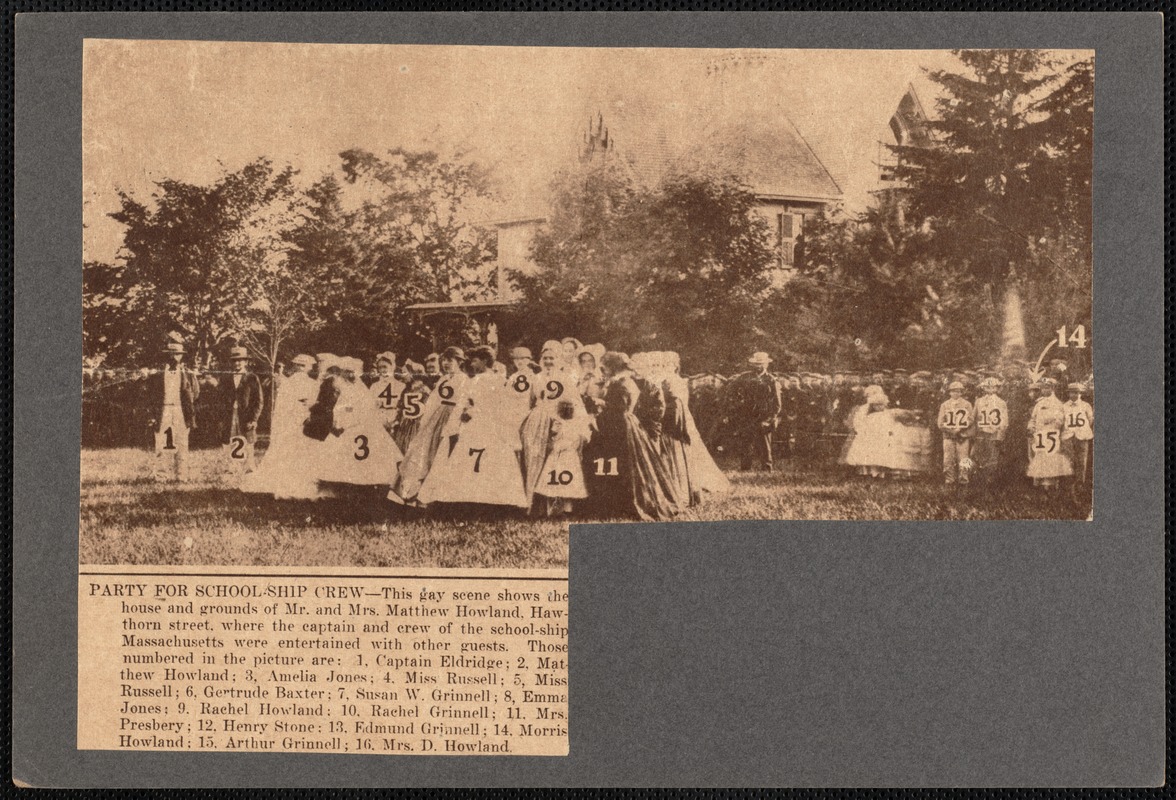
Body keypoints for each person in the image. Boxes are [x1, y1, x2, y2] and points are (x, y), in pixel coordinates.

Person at [418, 346, 528, 509]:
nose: (472, 364)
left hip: (487, 425)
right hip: (477, 424)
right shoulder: (484, 380)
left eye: (475, 360)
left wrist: (471, 412)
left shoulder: (492, 380)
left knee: (486, 459)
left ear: (485, 361)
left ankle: (488, 500)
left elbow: (495, 405)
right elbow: (469, 401)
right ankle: (474, 499)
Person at [583, 351, 680, 521]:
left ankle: (621, 504)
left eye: (604, 368)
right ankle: (614, 503)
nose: (603, 371)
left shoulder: (623, 383)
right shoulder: (623, 381)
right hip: (619, 425)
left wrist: (600, 402)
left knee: (620, 464)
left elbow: (621, 408)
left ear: (612, 367)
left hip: (620, 426)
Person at [390, 346, 469, 505]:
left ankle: (439, 497)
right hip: (436, 418)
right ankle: (412, 493)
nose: (446, 364)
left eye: (450, 360)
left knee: (442, 455)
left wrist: (455, 424)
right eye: (444, 360)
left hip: (452, 418)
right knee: (422, 453)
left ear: (459, 362)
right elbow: (433, 400)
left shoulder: (463, 379)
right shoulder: (443, 379)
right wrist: (426, 421)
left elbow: (463, 402)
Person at [242, 353, 319, 499]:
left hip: (293, 423)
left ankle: (293, 483)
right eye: (301, 365)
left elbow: (284, 408)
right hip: (298, 422)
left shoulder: (289, 383)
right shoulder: (305, 384)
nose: (302, 368)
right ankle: (295, 485)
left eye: (303, 365)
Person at [319, 357, 403, 489]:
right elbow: (342, 408)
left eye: (351, 372)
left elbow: (363, 408)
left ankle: (367, 480)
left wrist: (347, 419)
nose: (349, 375)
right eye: (347, 372)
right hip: (351, 424)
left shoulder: (359, 388)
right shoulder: (346, 387)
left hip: (360, 424)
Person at [520, 341, 581, 508]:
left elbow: (573, 402)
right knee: (533, 457)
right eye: (545, 358)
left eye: (552, 358)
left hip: (557, 420)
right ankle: (532, 503)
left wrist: (562, 422)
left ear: (558, 359)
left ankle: (553, 505)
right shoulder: (536, 378)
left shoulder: (565, 378)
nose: (548, 362)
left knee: (553, 460)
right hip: (537, 420)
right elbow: (531, 401)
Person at [147, 339, 200, 482]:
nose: (174, 357)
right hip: (164, 410)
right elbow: (151, 396)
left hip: (180, 411)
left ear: (181, 356)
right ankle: (161, 475)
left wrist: (188, 410)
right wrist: (152, 415)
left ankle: (181, 476)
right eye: (171, 354)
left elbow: (195, 393)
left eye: (177, 354)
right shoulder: (157, 374)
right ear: (167, 355)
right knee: (162, 443)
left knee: (182, 443)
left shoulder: (188, 373)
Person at [534, 399, 593, 517]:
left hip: (564, 456)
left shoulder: (566, 424)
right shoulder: (568, 424)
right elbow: (581, 439)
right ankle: (559, 510)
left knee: (560, 484)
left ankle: (561, 510)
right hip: (565, 456)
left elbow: (579, 440)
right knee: (560, 483)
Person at [730, 352, 782, 471]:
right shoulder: (744, 377)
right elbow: (731, 391)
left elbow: (777, 404)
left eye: (761, 364)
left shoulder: (771, 380)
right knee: (746, 442)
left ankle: (767, 468)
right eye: (756, 364)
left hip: (764, 415)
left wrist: (770, 419)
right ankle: (745, 467)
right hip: (747, 415)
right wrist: (738, 403)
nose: (758, 366)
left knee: (764, 443)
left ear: (766, 364)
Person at [218, 346, 264, 480]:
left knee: (248, 440)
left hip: (246, 415)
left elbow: (259, 401)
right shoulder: (226, 378)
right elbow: (220, 398)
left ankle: (249, 469)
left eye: (240, 360)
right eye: (234, 361)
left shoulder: (252, 378)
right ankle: (231, 469)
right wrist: (221, 417)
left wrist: (254, 419)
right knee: (229, 440)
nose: (237, 363)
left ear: (245, 362)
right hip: (230, 414)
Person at [1026, 378, 1072, 490]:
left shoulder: (1059, 404)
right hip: (1039, 436)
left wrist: (1052, 427)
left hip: (1052, 437)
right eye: (1043, 388)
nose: (1044, 390)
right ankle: (1038, 486)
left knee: (1051, 459)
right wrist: (1031, 427)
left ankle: (1050, 486)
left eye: (1047, 388)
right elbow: (1033, 419)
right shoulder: (1039, 404)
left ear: (1053, 388)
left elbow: (1061, 421)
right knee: (1039, 458)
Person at [971, 377, 1009, 490]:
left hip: (993, 433)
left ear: (997, 388)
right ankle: (978, 482)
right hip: (980, 433)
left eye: (993, 387)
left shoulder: (1001, 402)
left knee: (992, 458)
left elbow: (1004, 421)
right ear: (983, 388)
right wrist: (972, 432)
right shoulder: (979, 401)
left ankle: (989, 483)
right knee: (978, 456)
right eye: (987, 387)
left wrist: (1000, 436)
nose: (990, 389)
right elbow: (973, 417)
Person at [937, 380, 975, 486]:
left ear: (962, 392)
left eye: (958, 391)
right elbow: (940, 423)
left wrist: (960, 428)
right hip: (948, 436)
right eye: (953, 391)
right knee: (948, 458)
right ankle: (949, 480)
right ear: (949, 392)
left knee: (963, 458)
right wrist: (950, 430)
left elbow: (971, 419)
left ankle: (964, 480)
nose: (956, 393)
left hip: (963, 435)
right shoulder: (945, 405)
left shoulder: (967, 404)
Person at [392, 361, 430, 454]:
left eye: (405, 373)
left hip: (416, 424)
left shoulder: (424, 390)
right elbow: (400, 406)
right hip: (405, 424)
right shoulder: (406, 389)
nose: (402, 375)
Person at [1062, 382, 1094, 485]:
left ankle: (1080, 483)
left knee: (1081, 460)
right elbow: (1061, 421)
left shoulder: (1085, 405)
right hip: (1068, 436)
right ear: (1068, 393)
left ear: (1081, 394)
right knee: (1069, 460)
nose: (1074, 395)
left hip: (1082, 435)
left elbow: (1090, 420)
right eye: (1072, 392)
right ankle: (1069, 484)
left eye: (1077, 392)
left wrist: (1081, 429)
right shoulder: (1064, 406)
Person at [368, 351, 405, 435]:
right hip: (379, 421)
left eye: (385, 367)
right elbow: (371, 407)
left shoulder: (401, 386)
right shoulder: (374, 387)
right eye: (380, 367)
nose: (382, 370)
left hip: (396, 422)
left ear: (392, 367)